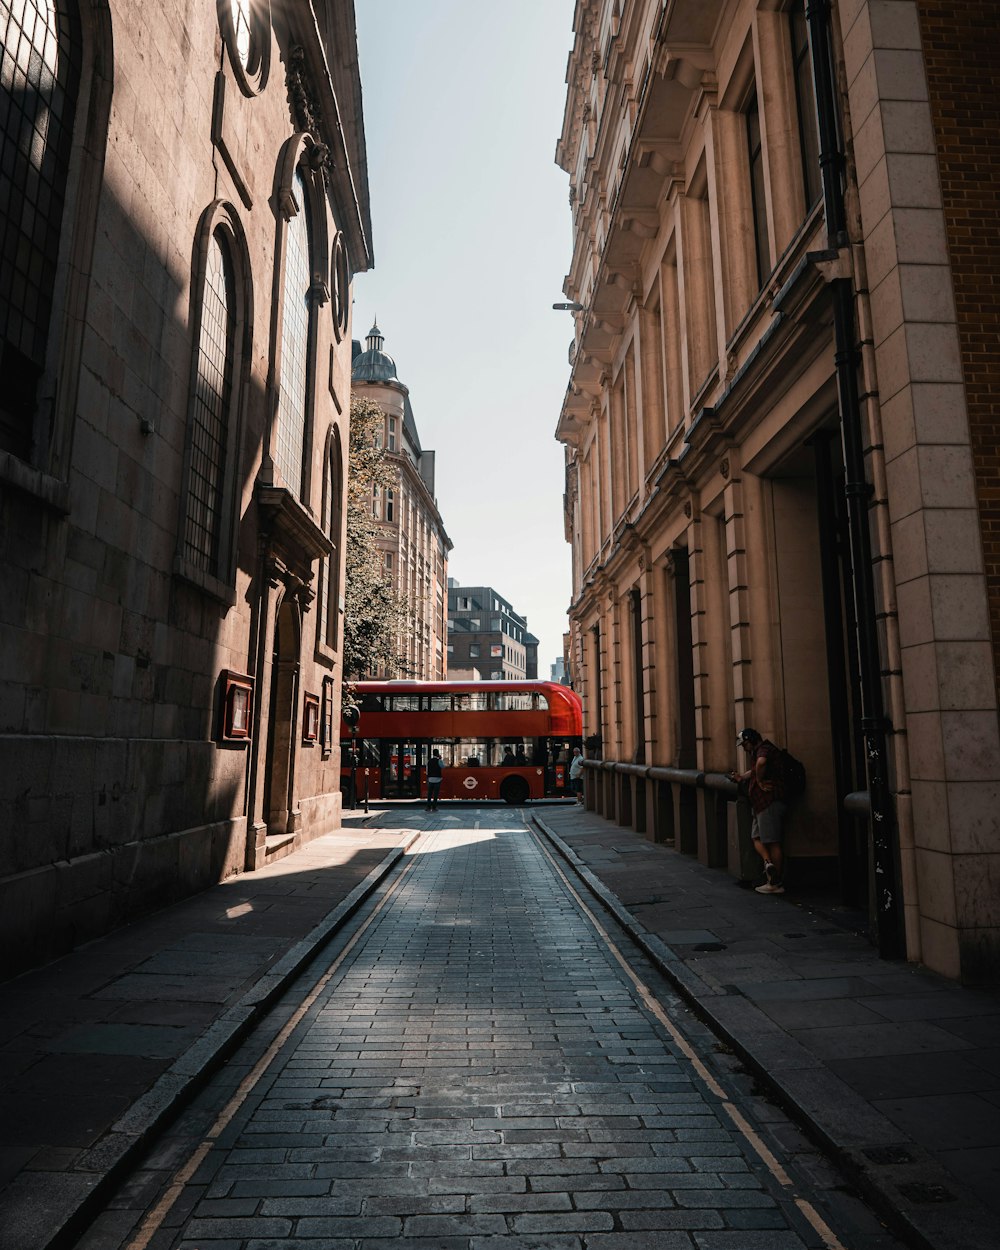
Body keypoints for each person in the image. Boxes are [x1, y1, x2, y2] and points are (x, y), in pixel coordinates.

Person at [730, 727, 786, 894]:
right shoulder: (757, 751)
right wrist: (741, 777)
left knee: (772, 841)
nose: (744, 748)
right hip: (760, 804)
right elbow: (754, 770)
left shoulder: (764, 749)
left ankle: (775, 883)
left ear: (751, 740)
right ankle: (768, 864)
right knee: (756, 837)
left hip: (769, 802)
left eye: (745, 744)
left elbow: (761, 763)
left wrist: (760, 781)